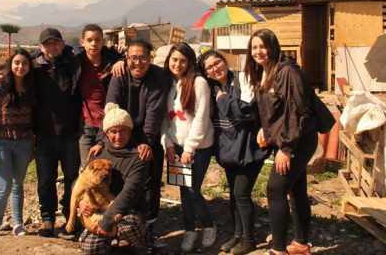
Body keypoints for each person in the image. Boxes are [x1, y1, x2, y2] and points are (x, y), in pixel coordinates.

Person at [0, 27, 81, 238]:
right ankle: (47, 219)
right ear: (41, 47)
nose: (52, 47)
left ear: (62, 43)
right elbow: (14, 68)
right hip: (44, 134)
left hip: (70, 134)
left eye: (56, 43)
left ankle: (70, 218)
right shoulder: (34, 66)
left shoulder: (74, 62)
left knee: (71, 178)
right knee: (45, 180)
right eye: (47, 43)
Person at [245, 29, 319, 255]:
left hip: (298, 140)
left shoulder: (288, 72)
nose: (259, 51)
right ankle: (301, 244)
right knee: (296, 190)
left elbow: (298, 113)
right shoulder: (264, 72)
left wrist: (286, 149)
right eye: (255, 47)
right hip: (287, 138)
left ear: (273, 47)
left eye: (263, 46)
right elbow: (273, 111)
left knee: (275, 189)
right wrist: (264, 130)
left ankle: (278, 250)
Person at [90, 39, 169, 247]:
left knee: (151, 180)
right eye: (133, 57)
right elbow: (111, 110)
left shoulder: (158, 76)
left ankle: (148, 225)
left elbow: (154, 114)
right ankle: (114, 218)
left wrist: (145, 143)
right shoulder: (120, 74)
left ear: (150, 59)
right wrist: (101, 140)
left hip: (146, 136)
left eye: (143, 57)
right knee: (115, 177)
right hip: (119, 133)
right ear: (127, 58)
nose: (138, 62)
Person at [198, 49, 268, 255]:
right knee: (233, 196)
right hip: (228, 151)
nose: (215, 68)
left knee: (241, 194)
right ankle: (238, 234)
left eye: (217, 62)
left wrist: (222, 99)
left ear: (224, 60)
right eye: (209, 67)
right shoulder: (210, 88)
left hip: (248, 149)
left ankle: (249, 239)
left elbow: (246, 111)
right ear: (206, 73)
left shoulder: (242, 78)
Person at [161, 43, 216, 252]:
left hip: (198, 147)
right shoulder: (167, 83)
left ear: (190, 62)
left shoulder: (199, 83)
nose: (178, 64)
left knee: (192, 188)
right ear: (168, 61)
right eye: (174, 59)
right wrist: (167, 143)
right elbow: (164, 120)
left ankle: (209, 225)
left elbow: (201, 119)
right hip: (176, 146)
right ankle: (190, 229)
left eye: (183, 60)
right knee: (183, 189)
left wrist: (189, 148)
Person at [79, 103, 150, 255]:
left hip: (128, 210)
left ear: (130, 131)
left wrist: (106, 222)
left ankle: (145, 245)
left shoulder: (138, 157)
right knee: (89, 247)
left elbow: (129, 194)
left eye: (123, 130)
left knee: (127, 227)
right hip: (101, 208)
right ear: (106, 133)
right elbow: (80, 180)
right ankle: (111, 245)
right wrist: (81, 201)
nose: (118, 136)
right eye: (113, 131)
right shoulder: (99, 153)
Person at [0, 48, 36, 237]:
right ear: (10, 65)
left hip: (24, 143)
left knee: (18, 185)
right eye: (17, 63)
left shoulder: (31, 89)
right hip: (1, 144)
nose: (20, 66)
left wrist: (33, 146)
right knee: (4, 186)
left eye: (25, 63)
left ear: (30, 66)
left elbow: (35, 119)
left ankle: (18, 224)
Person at [76, 24, 125, 169]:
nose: (93, 44)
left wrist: (122, 59)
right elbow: (51, 54)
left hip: (110, 124)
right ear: (82, 42)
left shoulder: (113, 63)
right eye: (89, 40)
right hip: (86, 125)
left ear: (103, 41)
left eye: (97, 40)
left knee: (110, 168)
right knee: (88, 169)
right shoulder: (76, 62)